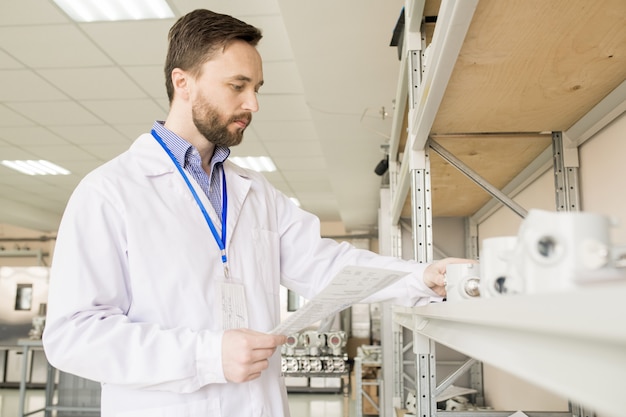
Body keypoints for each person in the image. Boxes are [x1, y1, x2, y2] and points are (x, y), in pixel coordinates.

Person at [42, 9, 472, 417]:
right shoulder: (110, 191)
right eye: (237, 86)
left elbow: (327, 265)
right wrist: (206, 355)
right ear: (183, 82)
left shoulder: (255, 191)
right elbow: (73, 336)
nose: (254, 103)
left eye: (257, 88)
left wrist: (420, 277)